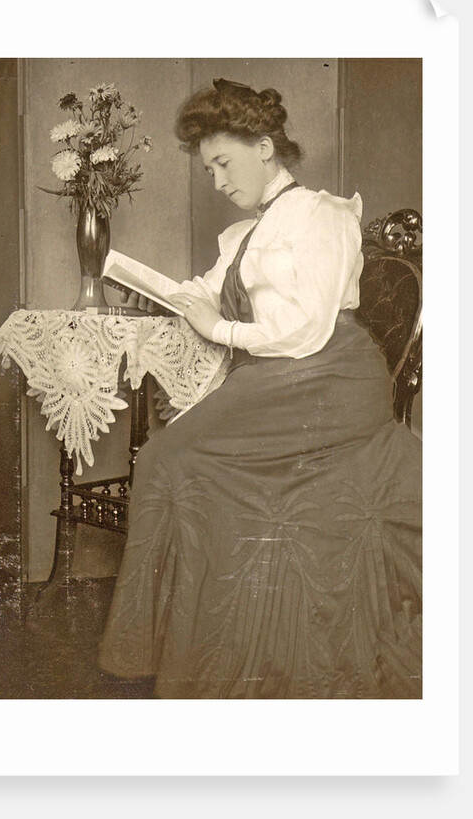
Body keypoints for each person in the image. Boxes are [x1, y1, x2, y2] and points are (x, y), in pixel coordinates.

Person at [98, 78, 422, 699]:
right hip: (280, 375)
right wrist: (160, 296)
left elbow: (305, 330)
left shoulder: (322, 216)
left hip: (331, 375)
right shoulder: (242, 236)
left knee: (167, 456)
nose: (217, 182)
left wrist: (216, 326)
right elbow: (203, 293)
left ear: (265, 147)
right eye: (209, 169)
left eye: (224, 163)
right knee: (170, 458)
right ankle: (175, 646)